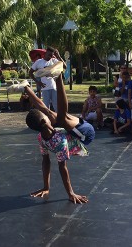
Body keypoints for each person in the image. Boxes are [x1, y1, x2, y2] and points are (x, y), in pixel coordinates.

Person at [22, 61, 95, 204]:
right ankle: (58, 76)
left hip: (78, 129)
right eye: (45, 119)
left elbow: (47, 161)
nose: (48, 118)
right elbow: (59, 167)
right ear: (44, 123)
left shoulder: (41, 137)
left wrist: (46, 187)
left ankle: (26, 86)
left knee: (51, 113)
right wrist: (69, 193)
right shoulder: (58, 142)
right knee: (59, 117)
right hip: (85, 136)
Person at [29, 47, 66, 112]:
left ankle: (58, 120)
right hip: (45, 88)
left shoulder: (54, 61)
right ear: (45, 53)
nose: (50, 57)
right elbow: (30, 72)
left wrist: (58, 56)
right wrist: (37, 82)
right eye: (49, 55)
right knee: (46, 108)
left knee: (57, 107)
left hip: (54, 87)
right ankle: (48, 121)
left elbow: (64, 66)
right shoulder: (39, 62)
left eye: (51, 55)